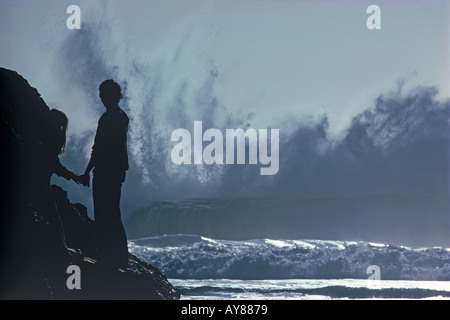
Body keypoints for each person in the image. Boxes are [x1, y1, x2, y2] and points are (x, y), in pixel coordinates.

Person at [80, 79, 129, 269]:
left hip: (105, 171)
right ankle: (119, 258)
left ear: (110, 95)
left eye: (102, 93)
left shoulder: (109, 117)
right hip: (116, 171)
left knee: (103, 214)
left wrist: (86, 172)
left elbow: (99, 147)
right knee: (113, 214)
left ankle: (109, 258)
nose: (99, 96)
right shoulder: (122, 116)